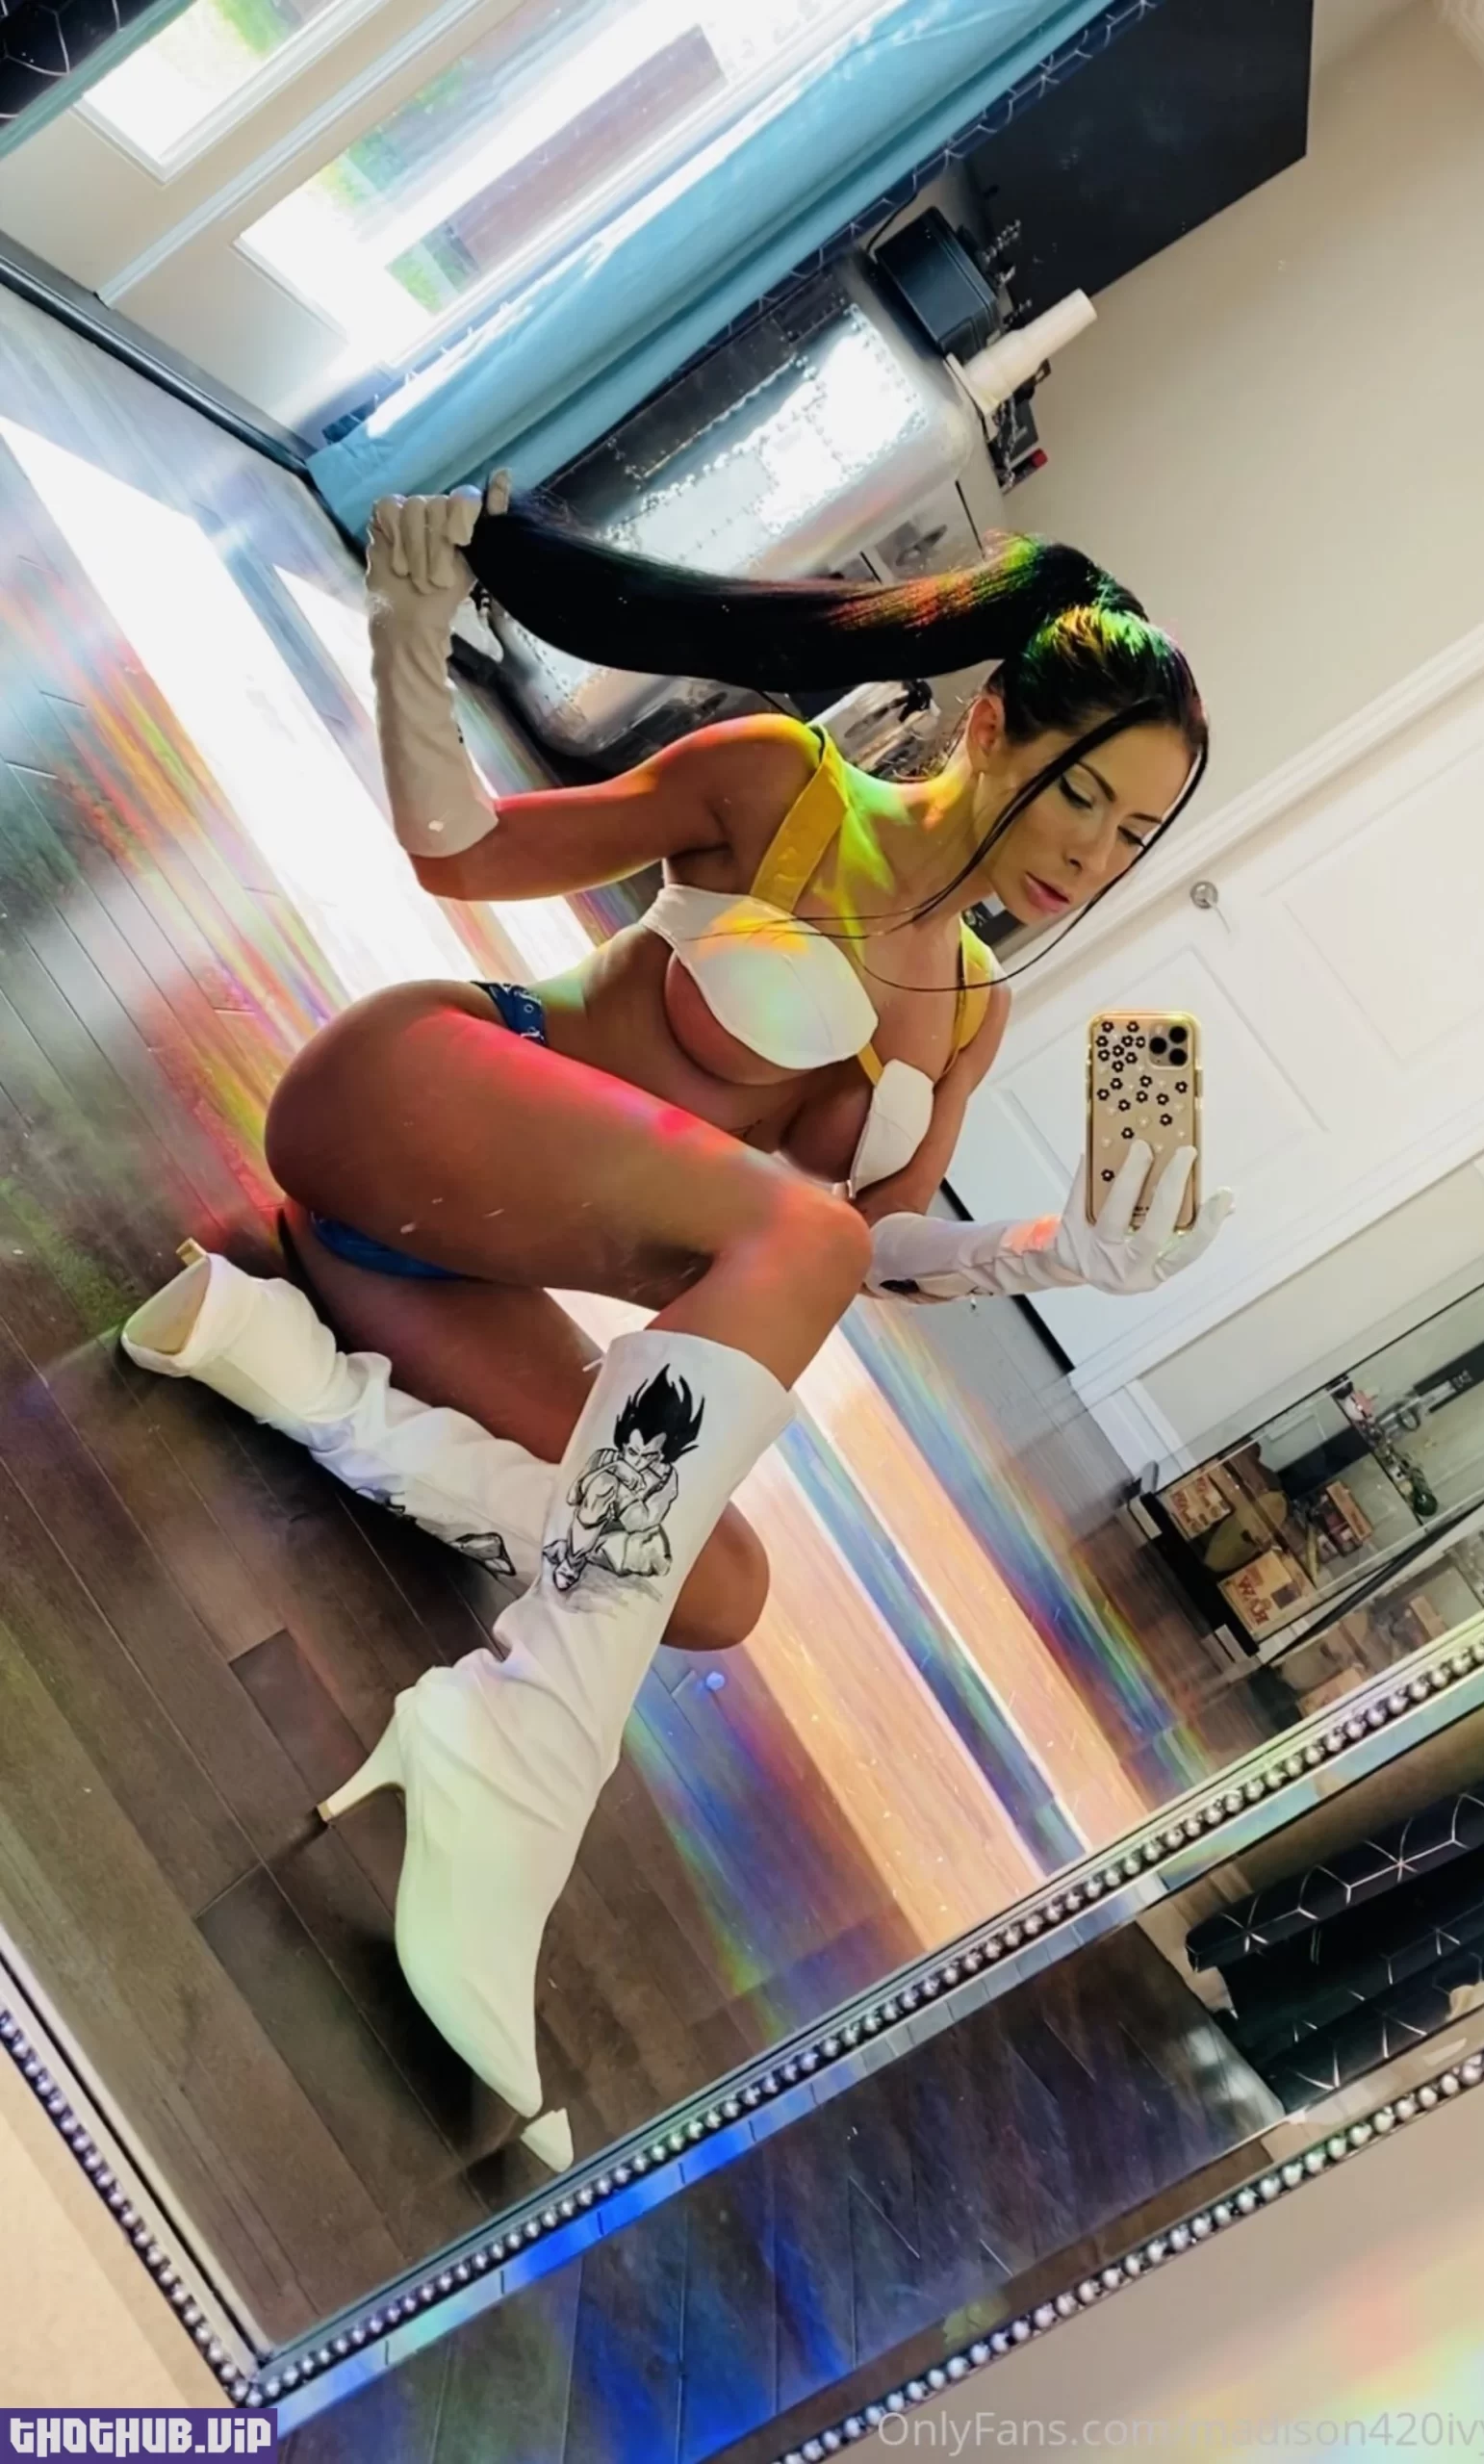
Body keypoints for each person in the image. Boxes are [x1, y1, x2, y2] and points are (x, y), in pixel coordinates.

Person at [121, 477, 1232, 2164]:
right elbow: (463, 849)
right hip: (406, 1101)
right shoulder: (785, 790)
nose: (1093, 853)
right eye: (1084, 793)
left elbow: (861, 1253)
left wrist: (1054, 1254)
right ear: (992, 726)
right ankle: (517, 1749)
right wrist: (410, 637)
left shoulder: (973, 1010)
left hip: (437, 1271)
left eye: (1137, 835)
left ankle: (312, 1387)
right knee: (782, 1248)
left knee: (716, 1590)